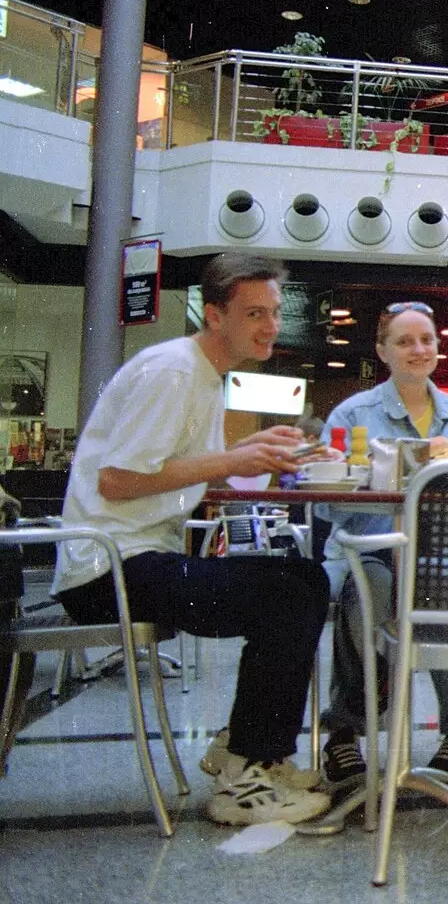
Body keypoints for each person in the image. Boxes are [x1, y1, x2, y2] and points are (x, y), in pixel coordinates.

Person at [52, 252, 331, 825]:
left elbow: (178, 472)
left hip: (140, 556)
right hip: (106, 569)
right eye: (255, 313)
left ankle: (249, 751)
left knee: (301, 577)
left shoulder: (204, 376)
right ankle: (245, 776)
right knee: (288, 592)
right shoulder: (173, 373)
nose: (271, 325)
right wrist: (230, 458)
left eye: (274, 312)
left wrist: (273, 455)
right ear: (214, 315)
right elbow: (117, 480)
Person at [317, 301, 448, 785]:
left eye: (426, 340)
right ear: (382, 351)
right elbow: (328, 505)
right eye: (405, 341)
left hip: (440, 553)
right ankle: (347, 729)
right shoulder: (353, 414)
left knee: (443, 590)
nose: (418, 350)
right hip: (367, 548)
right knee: (365, 593)